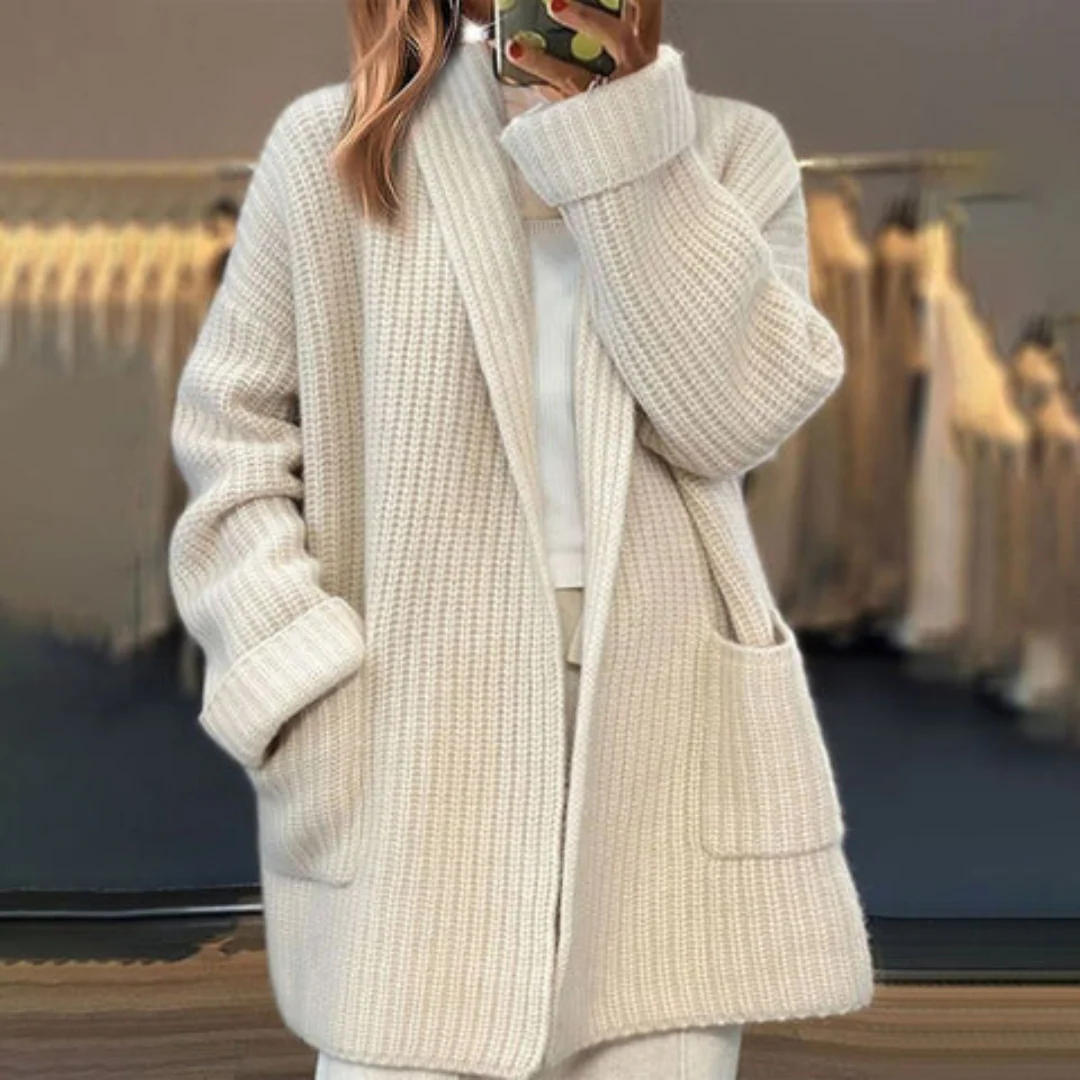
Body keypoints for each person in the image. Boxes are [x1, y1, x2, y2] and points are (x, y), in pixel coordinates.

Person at [167, 1, 875, 1078]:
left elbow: (731, 419)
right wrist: (299, 682)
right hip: (404, 728)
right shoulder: (333, 147)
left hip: (661, 740)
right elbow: (232, 437)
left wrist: (622, 140)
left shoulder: (732, 151)